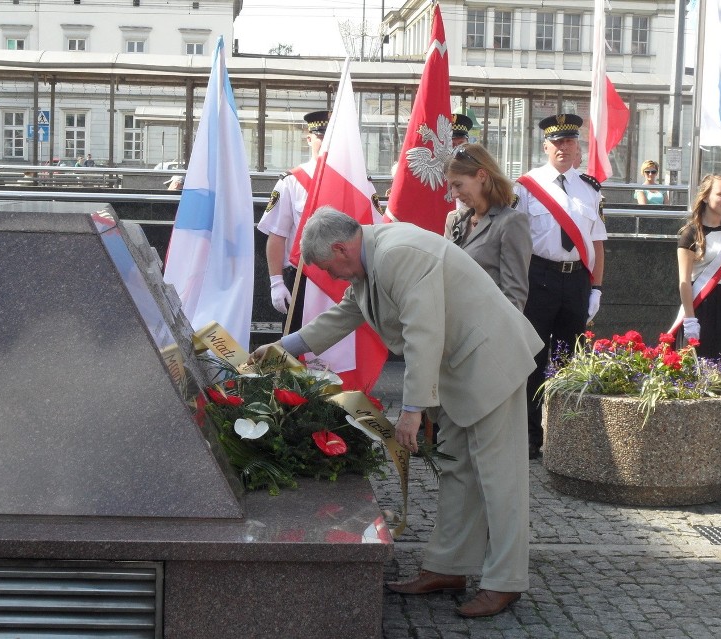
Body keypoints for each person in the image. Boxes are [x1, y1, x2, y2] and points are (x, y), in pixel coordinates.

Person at [248, 207, 544, 618]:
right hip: (462, 368)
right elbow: (342, 315)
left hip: (490, 362)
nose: (331, 276)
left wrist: (411, 410)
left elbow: (423, 333)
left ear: (340, 247)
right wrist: (283, 349)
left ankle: (505, 582)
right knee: (460, 469)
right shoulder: (369, 259)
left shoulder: (395, 253)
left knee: (499, 476)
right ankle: (448, 567)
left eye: (328, 267)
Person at [513, 113, 607, 460]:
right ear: (545, 147)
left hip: (577, 279)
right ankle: (530, 436)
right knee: (535, 360)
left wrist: (596, 289)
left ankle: (567, 434)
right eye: (557, 143)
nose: (563, 148)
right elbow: (514, 238)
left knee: (571, 360)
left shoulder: (590, 188)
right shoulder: (525, 186)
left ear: (576, 145)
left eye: (569, 141)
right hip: (538, 277)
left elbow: (597, 243)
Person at [257, 110, 330, 329]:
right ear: (309, 139)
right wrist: (276, 282)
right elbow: (277, 235)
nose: (326, 143)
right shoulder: (291, 181)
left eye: (332, 137)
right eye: (321, 136)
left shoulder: (359, 182)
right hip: (302, 279)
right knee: (297, 351)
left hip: (346, 280)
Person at [443, 143, 531, 311]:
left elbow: (514, 295)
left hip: (487, 328)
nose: (453, 194)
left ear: (481, 175)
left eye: (458, 185)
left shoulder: (511, 222)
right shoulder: (454, 220)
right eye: (451, 187)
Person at [676, 174, 721, 360]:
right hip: (702, 304)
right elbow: (684, 281)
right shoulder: (690, 233)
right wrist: (690, 319)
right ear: (705, 196)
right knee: (701, 365)